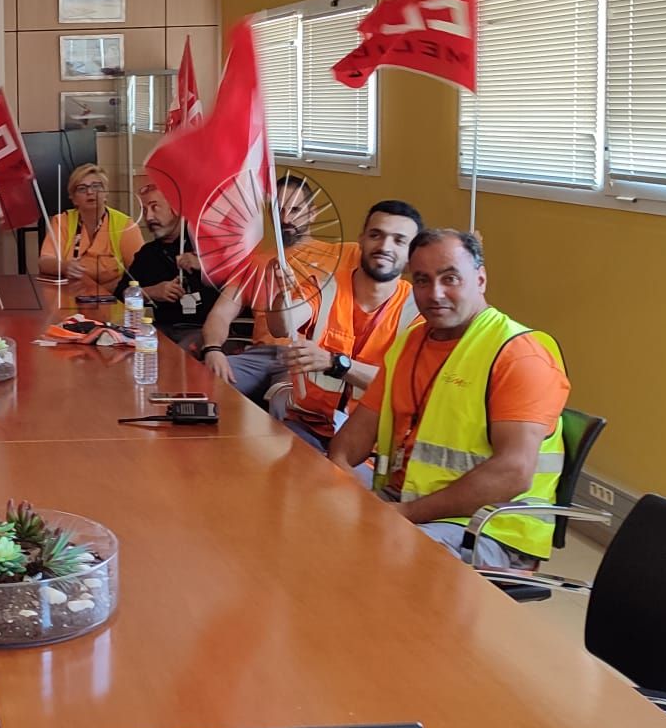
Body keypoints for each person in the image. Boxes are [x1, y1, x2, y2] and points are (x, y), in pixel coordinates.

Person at [327, 229, 571, 571]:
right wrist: (343, 489)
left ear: (481, 279)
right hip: (406, 505)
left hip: (486, 529)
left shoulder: (518, 354)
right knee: (314, 525)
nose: (435, 293)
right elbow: (351, 439)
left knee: (373, 556)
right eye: (423, 280)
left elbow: (514, 472)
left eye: (450, 278)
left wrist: (404, 515)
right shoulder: (411, 343)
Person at [268, 200, 422, 450]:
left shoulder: (419, 312)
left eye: (399, 240)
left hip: (372, 444)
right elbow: (282, 326)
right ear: (361, 240)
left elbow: (402, 388)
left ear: (411, 255)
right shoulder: (325, 285)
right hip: (306, 427)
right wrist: (280, 292)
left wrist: (335, 363)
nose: (384, 246)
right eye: (376, 235)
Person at [198, 173, 334, 402]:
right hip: (258, 356)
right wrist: (212, 349)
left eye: (295, 210)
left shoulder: (339, 255)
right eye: (278, 210)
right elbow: (220, 314)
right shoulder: (256, 262)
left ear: (313, 213)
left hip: (304, 356)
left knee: (286, 400)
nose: (285, 218)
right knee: (202, 384)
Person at [117, 180, 220, 353]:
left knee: (174, 356)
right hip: (162, 330)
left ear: (176, 208)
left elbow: (239, 284)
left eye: (155, 207)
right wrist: (150, 292)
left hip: (204, 331)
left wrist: (205, 266)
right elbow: (119, 295)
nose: (148, 217)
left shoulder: (208, 245)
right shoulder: (147, 254)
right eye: (144, 210)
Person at [38, 164, 142, 290]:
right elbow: (44, 263)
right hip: (71, 297)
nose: (90, 192)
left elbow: (140, 272)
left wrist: (99, 291)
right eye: (82, 189)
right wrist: (65, 267)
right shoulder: (62, 221)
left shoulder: (125, 225)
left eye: (96, 186)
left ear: (106, 193)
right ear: (73, 198)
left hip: (112, 297)